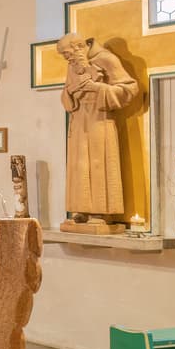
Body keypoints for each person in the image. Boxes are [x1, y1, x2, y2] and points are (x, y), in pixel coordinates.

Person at [56, 33, 138, 226]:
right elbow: (67, 92)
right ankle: (81, 209)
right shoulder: (72, 66)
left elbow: (128, 89)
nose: (66, 59)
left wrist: (97, 87)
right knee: (79, 164)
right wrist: (70, 92)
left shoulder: (107, 59)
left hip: (100, 118)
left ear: (78, 47)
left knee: (99, 162)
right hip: (78, 120)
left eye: (67, 54)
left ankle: (100, 212)